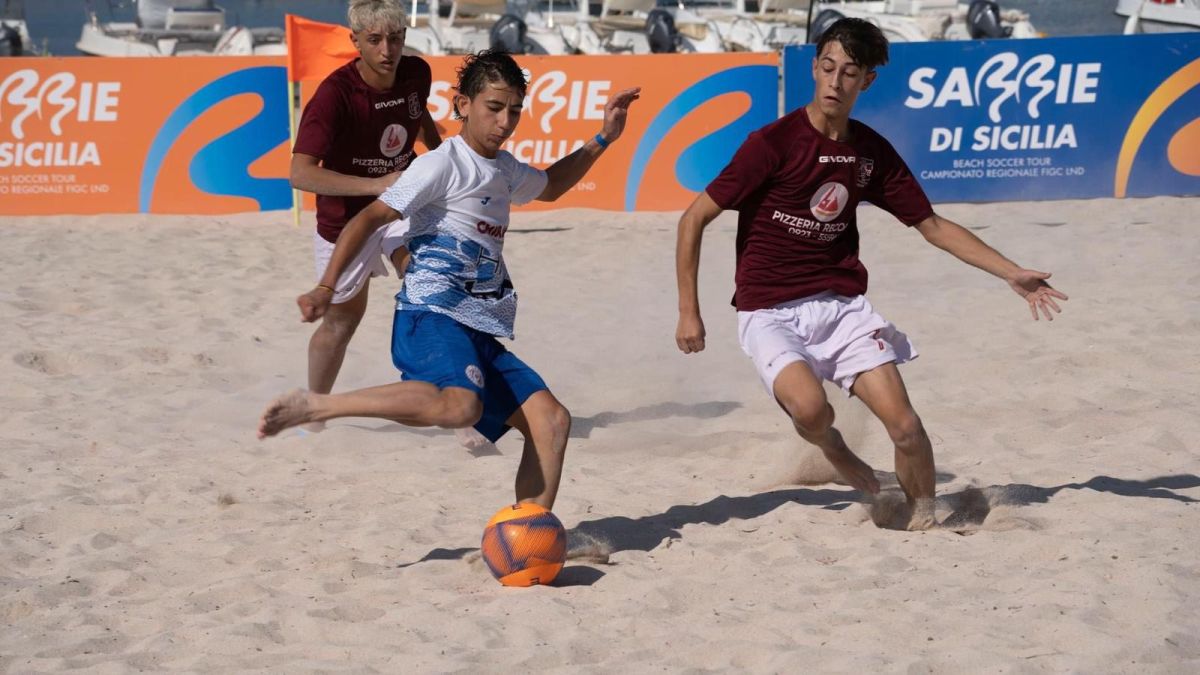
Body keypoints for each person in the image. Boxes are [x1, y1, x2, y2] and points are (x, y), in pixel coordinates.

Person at [674, 18, 1067, 530]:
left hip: (841, 308)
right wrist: (689, 312)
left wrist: (1010, 273)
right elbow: (693, 218)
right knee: (813, 412)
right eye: (829, 68)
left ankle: (923, 516)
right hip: (768, 310)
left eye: (850, 73)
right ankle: (834, 450)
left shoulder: (869, 152)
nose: (836, 82)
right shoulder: (771, 143)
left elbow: (931, 225)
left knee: (906, 427)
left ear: (867, 81)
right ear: (814, 69)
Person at [259, 50, 641, 510]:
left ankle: (525, 534)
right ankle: (319, 406)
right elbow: (369, 220)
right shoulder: (441, 163)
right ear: (463, 105)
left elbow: (552, 185)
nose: (505, 121)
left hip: (476, 323)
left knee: (553, 420)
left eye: (515, 110)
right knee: (461, 406)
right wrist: (326, 286)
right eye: (494, 107)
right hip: (430, 315)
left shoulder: (503, 168)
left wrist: (604, 137)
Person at [291, 0, 441, 422]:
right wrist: (374, 185)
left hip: (401, 204)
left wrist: (440, 156)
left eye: (395, 39)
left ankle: (454, 405)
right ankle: (314, 409)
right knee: (341, 323)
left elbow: (420, 113)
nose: (386, 49)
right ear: (354, 41)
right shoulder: (334, 96)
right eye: (374, 40)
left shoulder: (417, 73)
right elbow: (300, 174)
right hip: (343, 221)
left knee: (426, 277)